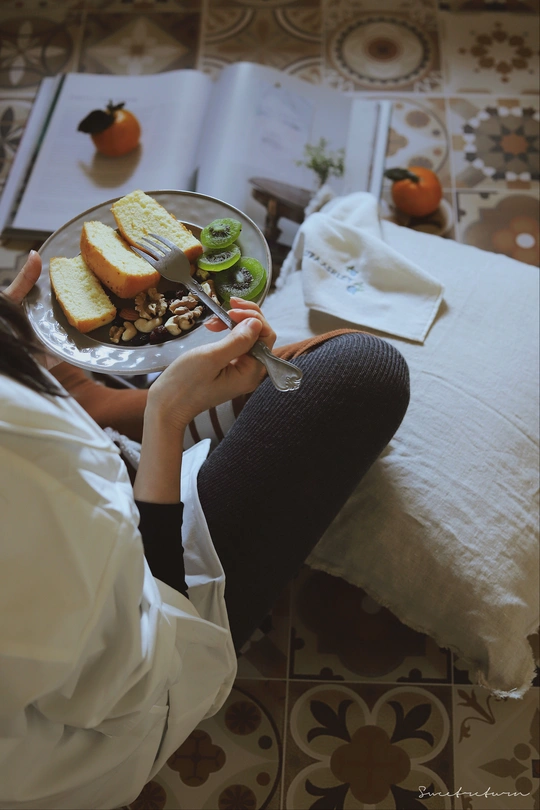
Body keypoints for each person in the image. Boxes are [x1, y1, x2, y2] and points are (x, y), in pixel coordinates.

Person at [0, 251, 410, 809]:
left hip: (82, 543)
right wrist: (167, 416)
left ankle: (97, 406)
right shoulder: (30, 499)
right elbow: (138, 675)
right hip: (134, 697)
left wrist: (13, 349)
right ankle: (115, 415)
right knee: (361, 372)